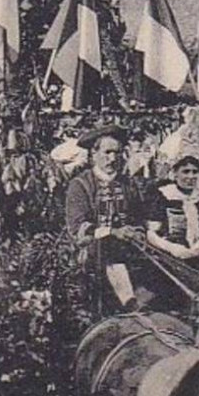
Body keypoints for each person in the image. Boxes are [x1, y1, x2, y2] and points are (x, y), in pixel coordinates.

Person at [62, 125, 143, 310]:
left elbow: (139, 218)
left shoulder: (128, 184)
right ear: (94, 153)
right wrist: (113, 232)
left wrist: (137, 232)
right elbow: (78, 227)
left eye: (117, 153)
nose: (112, 159)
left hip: (130, 252)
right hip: (93, 254)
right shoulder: (80, 185)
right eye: (107, 152)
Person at [143, 149, 199, 290]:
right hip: (174, 252)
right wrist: (172, 248)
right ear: (175, 173)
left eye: (195, 172)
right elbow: (151, 233)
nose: (190, 176)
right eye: (185, 171)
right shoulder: (163, 194)